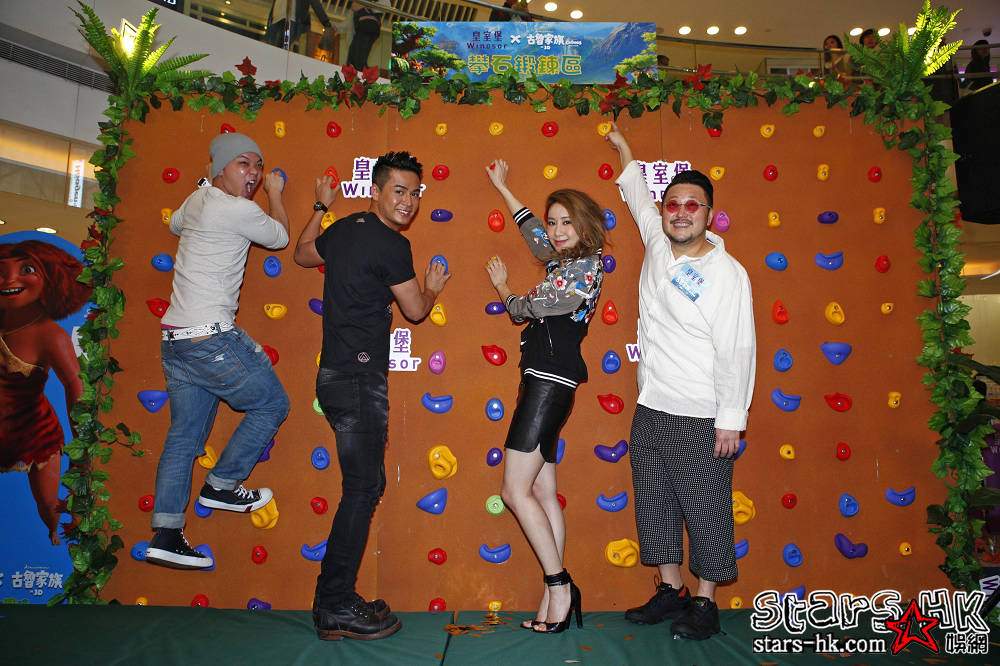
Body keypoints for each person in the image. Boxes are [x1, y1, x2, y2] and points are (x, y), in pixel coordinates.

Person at [604, 125, 756, 640]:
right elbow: (638, 200)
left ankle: (706, 602)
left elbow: (738, 348)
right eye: (674, 204)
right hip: (651, 404)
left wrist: (731, 419)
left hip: (701, 413)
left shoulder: (727, 273)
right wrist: (625, 149)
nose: (681, 212)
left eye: (693, 205)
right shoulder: (658, 243)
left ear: (709, 214)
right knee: (655, 502)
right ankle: (672, 591)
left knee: (706, 508)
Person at [294, 151, 449, 641]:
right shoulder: (392, 245)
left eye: (415, 193)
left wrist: (321, 208)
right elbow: (416, 311)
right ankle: (334, 604)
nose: (408, 202)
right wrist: (433, 287)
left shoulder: (344, 228)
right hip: (360, 382)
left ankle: (335, 599)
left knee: (366, 485)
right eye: (399, 191)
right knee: (362, 489)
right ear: (376, 191)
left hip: (333, 379)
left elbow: (303, 254)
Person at [144, 133, 291, 570]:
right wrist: (276, 193)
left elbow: (175, 224)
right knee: (272, 404)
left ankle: (166, 535)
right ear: (221, 167)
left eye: (259, 166)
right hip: (209, 338)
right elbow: (280, 237)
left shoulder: (197, 200)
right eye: (244, 164)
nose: (254, 174)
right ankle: (222, 485)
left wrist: (206, 185)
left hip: (176, 341)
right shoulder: (237, 209)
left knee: (183, 438)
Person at [484, 159, 606, 634]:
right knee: (541, 490)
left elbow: (531, 308)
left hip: (548, 381)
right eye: (553, 222)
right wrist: (504, 188)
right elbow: (535, 235)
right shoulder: (565, 263)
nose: (556, 231)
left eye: (566, 222)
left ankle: (559, 586)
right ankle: (553, 594)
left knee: (514, 490)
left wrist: (505, 290)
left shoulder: (583, 270)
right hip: (549, 380)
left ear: (585, 225)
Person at [0, 240, 91, 545]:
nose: (9, 279)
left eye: (26, 269)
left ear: (51, 279)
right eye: (0, 272)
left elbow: (74, 385)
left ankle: (55, 535)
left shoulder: (50, 335)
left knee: (49, 506)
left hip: (34, 433)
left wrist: (81, 447)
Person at [339, 0, 393, 70]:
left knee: (358, 56)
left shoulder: (369, 9)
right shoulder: (355, 13)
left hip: (368, 27)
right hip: (363, 28)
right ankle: (357, 69)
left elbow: (386, 4)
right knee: (355, 54)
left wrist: (366, 5)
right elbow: (346, 24)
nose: (353, 5)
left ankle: (358, 69)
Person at [265, 0, 334, 51]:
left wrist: (326, 23)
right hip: (275, 19)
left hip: (291, 20)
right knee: (269, 49)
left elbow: (315, 3)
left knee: (280, 50)